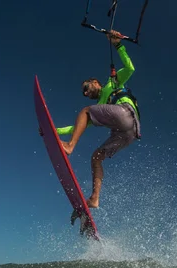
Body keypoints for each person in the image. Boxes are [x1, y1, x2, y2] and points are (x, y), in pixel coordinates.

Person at [55, 29, 141, 209]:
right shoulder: (101, 107)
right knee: (96, 157)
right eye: (84, 93)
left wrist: (117, 44)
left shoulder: (113, 82)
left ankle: (70, 146)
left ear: (95, 82)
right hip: (128, 134)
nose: (86, 93)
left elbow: (130, 67)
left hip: (126, 113)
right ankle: (94, 199)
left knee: (86, 111)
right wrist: (53, 131)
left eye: (86, 88)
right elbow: (76, 127)